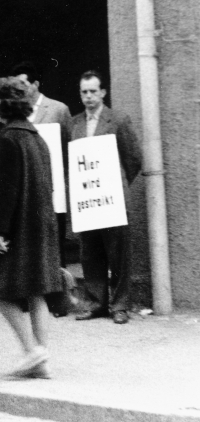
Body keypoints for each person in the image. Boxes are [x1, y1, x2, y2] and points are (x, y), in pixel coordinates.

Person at [0, 77, 63, 378]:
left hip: (19, 228)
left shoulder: (7, 138)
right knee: (37, 291)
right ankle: (41, 364)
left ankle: (33, 350)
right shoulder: (36, 137)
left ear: (4, 105)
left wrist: (0, 231)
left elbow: (6, 191)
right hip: (41, 224)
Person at [71, 70, 142, 324]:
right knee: (90, 252)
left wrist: (116, 185)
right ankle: (96, 302)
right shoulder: (75, 123)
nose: (88, 96)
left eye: (93, 91)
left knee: (118, 253)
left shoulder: (118, 120)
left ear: (103, 92)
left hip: (112, 199)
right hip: (88, 200)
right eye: (84, 92)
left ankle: (120, 305)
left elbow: (133, 159)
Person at [11, 62, 71, 269]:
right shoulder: (16, 112)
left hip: (53, 188)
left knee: (55, 242)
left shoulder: (58, 109)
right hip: (28, 188)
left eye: (23, 84)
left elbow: (67, 147)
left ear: (35, 84)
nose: (19, 89)